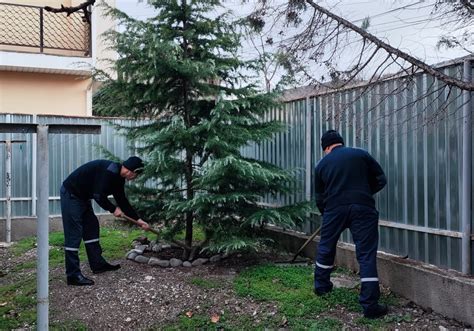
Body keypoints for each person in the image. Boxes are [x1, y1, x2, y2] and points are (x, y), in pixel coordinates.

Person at [314, 130, 388, 319]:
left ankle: (321, 287)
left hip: (334, 210)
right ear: (340, 143)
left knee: (326, 247)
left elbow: (320, 197)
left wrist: (327, 214)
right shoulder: (361, 154)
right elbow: (381, 179)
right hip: (363, 208)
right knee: (366, 255)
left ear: (327, 147)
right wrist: (363, 193)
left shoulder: (322, 165)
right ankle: (370, 305)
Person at [60, 156, 150, 286]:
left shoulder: (119, 178)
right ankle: (73, 275)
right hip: (71, 194)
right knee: (74, 234)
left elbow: (122, 200)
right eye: (137, 175)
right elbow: (98, 195)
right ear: (132, 171)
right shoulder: (109, 171)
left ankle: (98, 264)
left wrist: (139, 220)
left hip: (83, 197)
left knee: (91, 227)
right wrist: (113, 209)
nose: (135, 178)